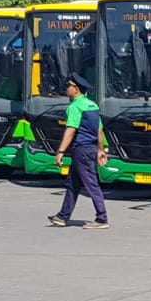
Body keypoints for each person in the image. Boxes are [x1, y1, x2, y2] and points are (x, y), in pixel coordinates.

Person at [48, 72, 109, 229]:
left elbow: (71, 130)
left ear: (76, 89)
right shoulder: (92, 105)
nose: (66, 88)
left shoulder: (75, 107)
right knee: (73, 183)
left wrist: (60, 151)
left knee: (91, 184)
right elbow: (99, 130)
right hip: (90, 148)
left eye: (69, 86)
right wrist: (101, 150)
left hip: (81, 149)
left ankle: (102, 218)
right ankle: (62, 216)